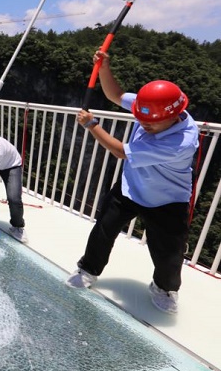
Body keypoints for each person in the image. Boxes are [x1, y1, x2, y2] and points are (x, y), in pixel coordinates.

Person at [65, 50, 198, 315]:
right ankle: (88, 269)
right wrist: (104, 67)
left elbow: (121, 151)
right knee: (103, 230)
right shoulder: (152, 107)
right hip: (130, 187)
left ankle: (164, 288)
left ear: (173, 116)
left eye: (151, 123)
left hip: (166, 199)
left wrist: (92, 125)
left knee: (169, 254)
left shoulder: (181, 142)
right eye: (142, 119)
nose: (144, 124)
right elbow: (115, 95)